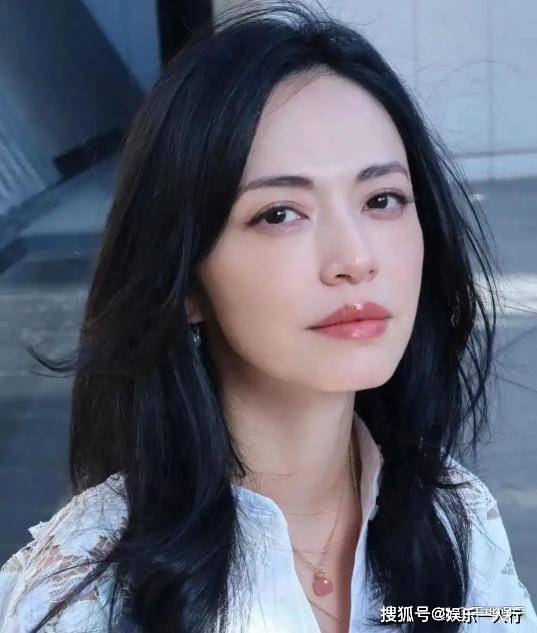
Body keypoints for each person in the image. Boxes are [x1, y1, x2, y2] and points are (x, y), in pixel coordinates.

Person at [0, 1, 535, 632]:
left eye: (383, 199)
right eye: (280, 213)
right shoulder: (84, 591)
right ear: (186, 280)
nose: (355, 259)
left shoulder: (457, 520)